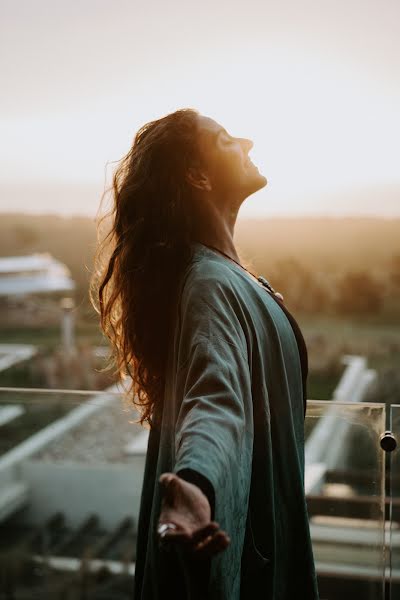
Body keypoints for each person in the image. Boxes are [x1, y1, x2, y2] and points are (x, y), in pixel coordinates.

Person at [91, 108, 320, 599]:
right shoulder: (212, 284)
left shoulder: (222, 275)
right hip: (226, 520)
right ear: (196, 175)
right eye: (225, 139)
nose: (248, 141)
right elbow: (215, 396)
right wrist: (196, 483)